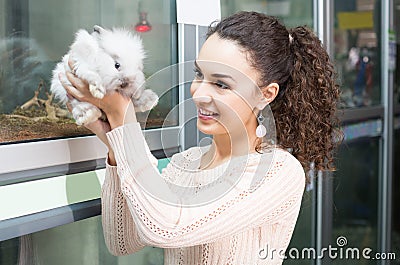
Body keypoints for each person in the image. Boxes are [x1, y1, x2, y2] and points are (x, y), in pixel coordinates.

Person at [62, 11, 341, 265]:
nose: (199, 93)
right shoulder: (186, 162)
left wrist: (124, 117)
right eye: (199, 74)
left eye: (221, 84)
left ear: (265, 94)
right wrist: (114, 143)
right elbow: (123, 242)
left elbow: (167, 228)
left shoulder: (277, 172)